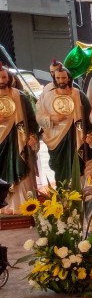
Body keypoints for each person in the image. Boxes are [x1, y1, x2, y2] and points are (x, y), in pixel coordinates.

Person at [35, 66, 92, 185]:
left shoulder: (79, 95)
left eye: (63, 78)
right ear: (54, 79)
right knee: (61, 167)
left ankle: (81, 192)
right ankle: (63, 193)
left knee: (79, 165)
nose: (61, 80)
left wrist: (90, 134)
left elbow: (90, 117)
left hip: (76, 137)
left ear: (68, 79)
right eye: (58, 78)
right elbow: (39, 117)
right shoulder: (48, 97)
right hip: (57, 140)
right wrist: (52, 118)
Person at [0, 66, 38, 210]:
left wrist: (33, 135)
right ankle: (3, 208)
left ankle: (22, 206)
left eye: (4, 77)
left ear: (9, 78)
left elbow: (31, 119)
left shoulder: (20, 96)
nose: (2, 80)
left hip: (18, 140)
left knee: (20, 169)